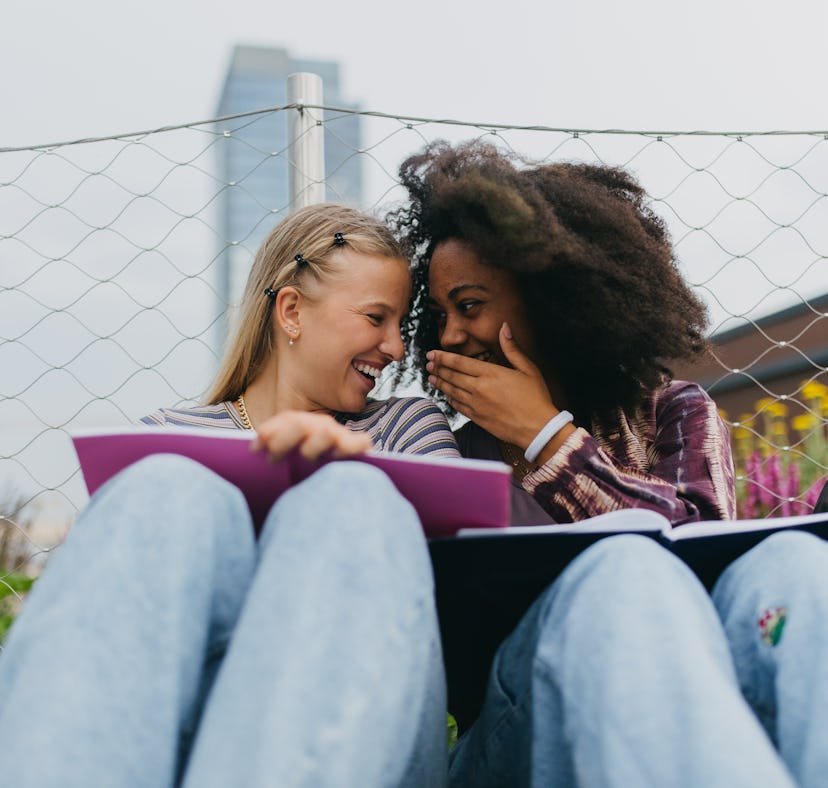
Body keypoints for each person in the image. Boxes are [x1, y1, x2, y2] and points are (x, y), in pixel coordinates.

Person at [390, 140, 828, 787]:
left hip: (681, 694)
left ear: (550, 300)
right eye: (443, 312)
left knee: (799, 565)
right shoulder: (446, 447)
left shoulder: (675, 412)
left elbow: (699, 546)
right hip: (519, 722)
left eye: (471, 305)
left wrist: (546, 437)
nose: (449, 335)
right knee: (619, 568)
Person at [0, 204, 457, 788]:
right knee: (167, 487)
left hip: (363, 711)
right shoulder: (165, 436)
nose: (395, 348)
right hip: (178, 717)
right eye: (377, 318)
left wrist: (348, 476)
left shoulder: (404, 429)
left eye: (400, 325)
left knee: (352, 495)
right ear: (291, 311)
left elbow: (450, 588)